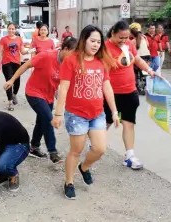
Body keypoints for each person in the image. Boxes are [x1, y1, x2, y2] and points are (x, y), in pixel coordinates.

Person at [51, 25, 119, 200]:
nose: (96, 45)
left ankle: (85, 167)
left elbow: (107, 87)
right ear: (84, 40)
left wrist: (114, 111)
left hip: (97, 114)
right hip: (76, 115)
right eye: (92, 41)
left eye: (98, 41)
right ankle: (69, 182)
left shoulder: (101, 61)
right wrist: (58, 114)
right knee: (76, 150)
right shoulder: (71, 61)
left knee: (100, 149)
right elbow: (63, 88)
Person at [4, 37, 78, 163]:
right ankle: (53, 152)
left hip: (48, 95)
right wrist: (12, 80)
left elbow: (64, 84)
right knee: (49, 119)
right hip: (34, 92)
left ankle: (34, 147)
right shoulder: (47, 56)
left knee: (41, 120)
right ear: (65, 49)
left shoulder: (69, 64)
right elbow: (27, 65)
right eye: (73, 54)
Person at [105, 20, 156, 170]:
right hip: (112, 94)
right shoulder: (104, 48)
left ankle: (130, 155)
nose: (124, 40)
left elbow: (138, 59)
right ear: (113, 33)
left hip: (130, 92)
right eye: (121, 37)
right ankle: (95, 143)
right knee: (106, 123)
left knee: (128, 123)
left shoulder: (129, 45)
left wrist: (149, 70)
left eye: (126, 37)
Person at [0, 23, 29, 111]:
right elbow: (0, 51)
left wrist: (30, 50)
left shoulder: (19, 39)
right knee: (9, 80)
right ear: (7, 29)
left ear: (15, 30)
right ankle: (10, 102)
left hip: (17, 63)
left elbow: (22, 51)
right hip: (6, 63)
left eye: (13, 29)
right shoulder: (3, 39)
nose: (11, 30)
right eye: (9, 29)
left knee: (17, 81)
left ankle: (14, 94)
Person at [129, 22, 151, 95]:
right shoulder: (144, 38)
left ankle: (137, 87)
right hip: (148, 57)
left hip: (139, 58)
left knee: (135, 72)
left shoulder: (132, 41)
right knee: (145, 73)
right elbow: (148, 46)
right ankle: (146, 87)